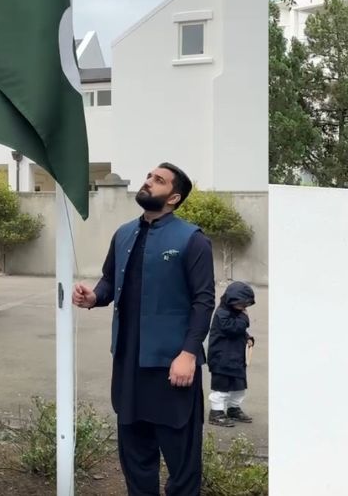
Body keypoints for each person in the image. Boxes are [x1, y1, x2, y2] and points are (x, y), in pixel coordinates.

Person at [72, 163, 215, 495]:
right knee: (135, 458)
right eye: (150, 177)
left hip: (171, 368)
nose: (148, 182)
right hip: (128, 366)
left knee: (183, 463)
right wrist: (94, 297)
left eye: (159, 180)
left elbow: (204, 301)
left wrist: (188, 354)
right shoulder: (123, 233)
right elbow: (110, 280)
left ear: (174, 197)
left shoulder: (192, 240)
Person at [207, 280, 256, 428]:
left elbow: (239, 331)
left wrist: (247, 338)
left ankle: (233, 408)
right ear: (231, 300)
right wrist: (245, 318)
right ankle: (216, 412)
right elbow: (232, 328)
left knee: (238, 387)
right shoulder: (222, 313)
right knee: (221, 388)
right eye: (242, 305)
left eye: (246, 306)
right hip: (222, 359)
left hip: (235, 359)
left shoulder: (236, 313)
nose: (244, 308)